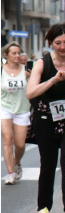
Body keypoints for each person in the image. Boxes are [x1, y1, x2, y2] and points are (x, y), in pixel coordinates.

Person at [26, 24, 65, 213]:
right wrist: (53, 80)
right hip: (45, 120)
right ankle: (43, 208)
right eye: (58, 43)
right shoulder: (42, 63)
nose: (62, 47)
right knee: (48, 164)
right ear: (51, 43)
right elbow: (31, 92)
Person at [1, 42, 30, 185]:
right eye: (14, 53)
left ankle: (17, 161)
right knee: (7, 140)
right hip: (4, 108)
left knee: (20, 144)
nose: (18, 55)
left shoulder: (26, 70)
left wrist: (29, 77)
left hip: (22, 110)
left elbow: (33, 88)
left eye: (19, 52)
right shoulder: (1, 70)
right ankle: (10, 173)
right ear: (6, 55)